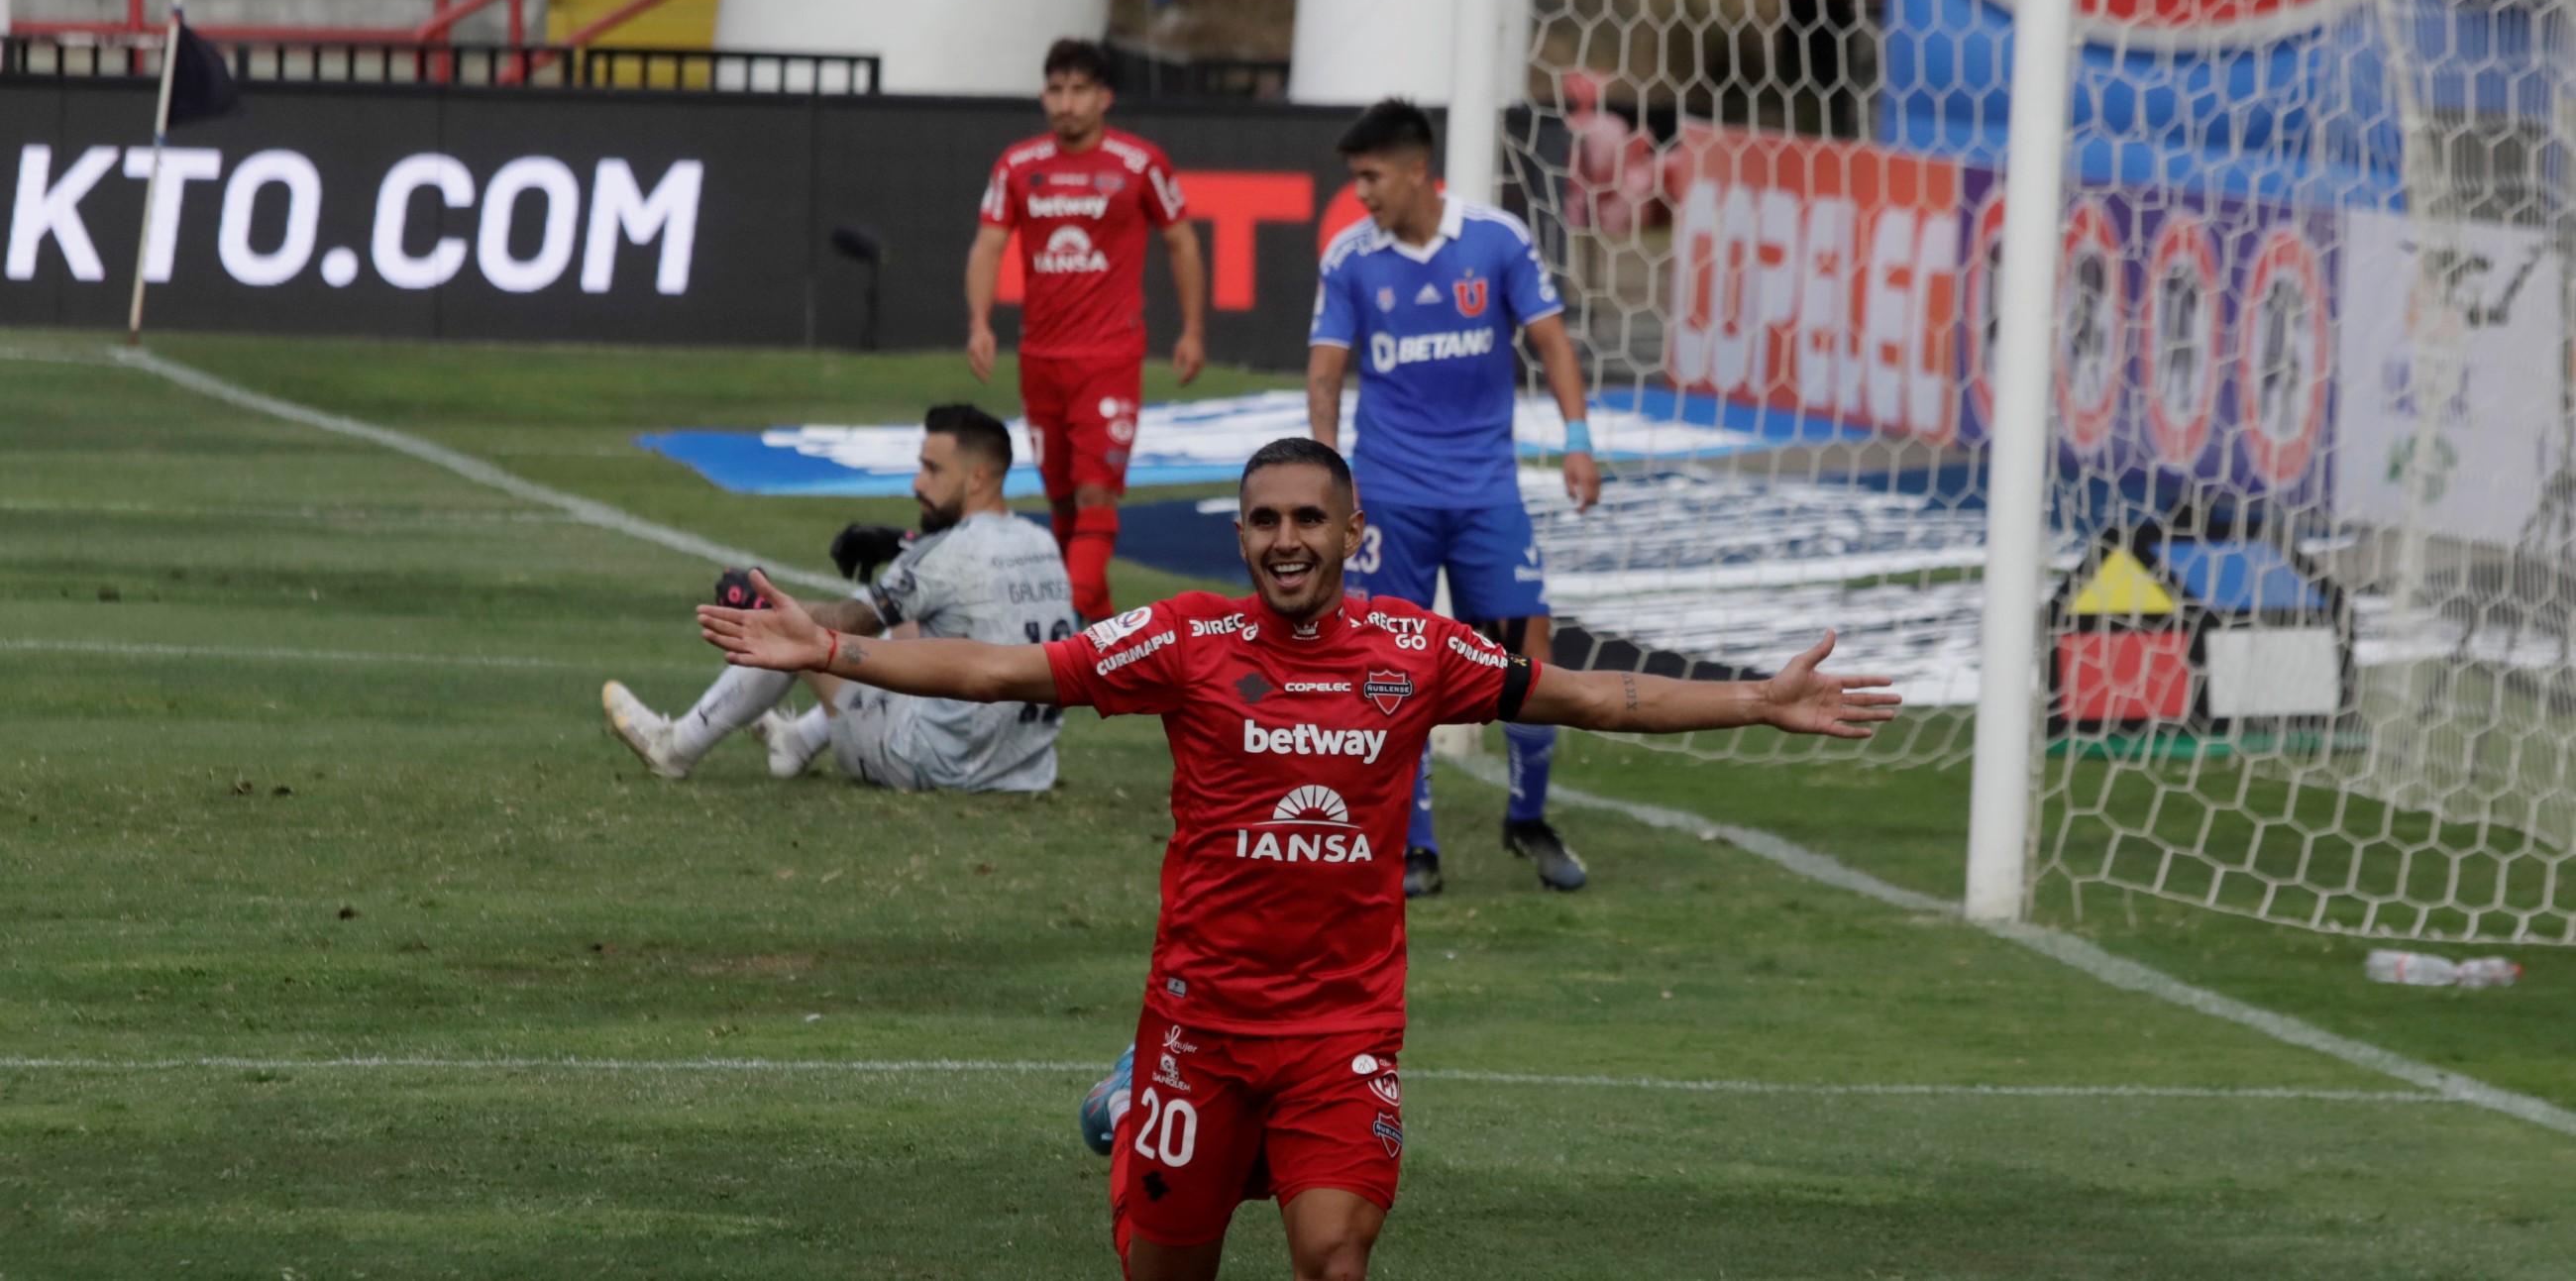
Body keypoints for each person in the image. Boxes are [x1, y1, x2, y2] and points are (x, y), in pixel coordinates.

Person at [698, 438, 1898, 1281]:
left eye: (1308, 519)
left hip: (1340, 1032)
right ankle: (1133, 1100)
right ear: (1241, 534)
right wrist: (835, 651)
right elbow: (1002, 671)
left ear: (1351, 532)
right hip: (1200, 1026)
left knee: (1334, 1255)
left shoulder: (1415, 651)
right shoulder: (1186, 639)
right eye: (1263, 520)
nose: (1285, 540)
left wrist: (1758, 696)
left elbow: (1593, 698)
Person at [1306, 98, 1602, 900]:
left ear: (1414, 170)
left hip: (1484, 496)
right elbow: (1327, 372)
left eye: (1371, 176)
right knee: (1392, 671)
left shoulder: (1495, 241)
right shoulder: (1350, 259)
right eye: (1355, 178)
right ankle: (1416, 846)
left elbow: (1549, 340)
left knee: (1527, 660)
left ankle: (1527, 819)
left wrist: (1578, 439)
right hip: (1391, 498)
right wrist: (1328, 481)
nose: (1362, 192)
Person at [603, 404, 1075, 793]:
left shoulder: (944, 557)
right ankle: (799, 741)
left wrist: (764, 607)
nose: (917, 483)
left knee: (798, 631)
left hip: (938, 766)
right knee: (909, 622)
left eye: (932, 470)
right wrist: (903, 545)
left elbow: (845, 624)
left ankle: (676, 747)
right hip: (1025, 769)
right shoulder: (1040, 543)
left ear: (977, 479)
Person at [966, 36, 1208, 626]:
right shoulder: (1018, 166)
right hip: (1040, 356)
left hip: (1109, 354)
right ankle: (1109, 643)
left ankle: (1062, 626)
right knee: (1064, 506)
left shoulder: (1139, 163)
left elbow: (1181, 241)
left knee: (1097, 494)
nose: (1065, 102)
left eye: (1078, 90)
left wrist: (1193, 330)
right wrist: (979, 322)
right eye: (1055, 89)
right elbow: (989, 245)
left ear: (1105, 98)